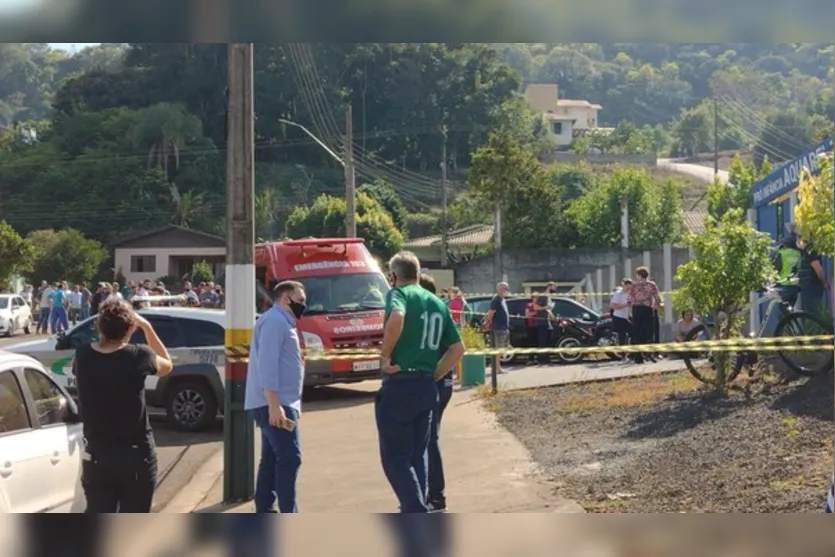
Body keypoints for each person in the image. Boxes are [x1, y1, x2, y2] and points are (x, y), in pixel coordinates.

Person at [378, 251, 465, 513]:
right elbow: (458, 348)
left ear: (393, 275)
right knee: (418, 453)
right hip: (427, 385)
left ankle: (416, 511)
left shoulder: (399, 294)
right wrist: (436, 373)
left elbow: (397, 317)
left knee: (395, 457)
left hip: (400, 383)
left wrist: (385, 355)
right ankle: (418, 504)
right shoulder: (437, 302)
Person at [73, 299, 174, 512]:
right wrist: (147, 327)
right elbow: (167, 364)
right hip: (136, 455)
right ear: (130, 327)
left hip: (98, 455)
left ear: (100, 326)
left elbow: (99, 351)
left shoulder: (82, 355)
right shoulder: (140, 355)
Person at [245, 280, 306, 513]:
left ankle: (265, 508)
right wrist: (274, 404)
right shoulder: (274, 322)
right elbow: (267, 365)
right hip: (275, 402)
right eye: (300, 300)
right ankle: (289, 512)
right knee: (290, 458)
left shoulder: (280, 321)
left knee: (272, 459)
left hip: (278, 401)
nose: (304, 305)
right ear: (285, 298)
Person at [418, 273, 454, 512]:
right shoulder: (442, 310)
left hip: (433, 384)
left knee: (427, 442)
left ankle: (435, 497)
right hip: (443, 385)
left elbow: (456, 348)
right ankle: (432, 495)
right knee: (430, 440)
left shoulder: (425, 314)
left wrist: (434, 376)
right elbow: (456, 347)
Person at [628, 267, 661, 364]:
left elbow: (629, 298)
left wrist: (631, 304)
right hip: (647, 309)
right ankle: (649, 353)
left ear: (639, 275)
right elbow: (657, 297)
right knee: (648, 331)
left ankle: (638, 356)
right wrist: (656, 305)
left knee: (637, 331)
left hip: (637, 309)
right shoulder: (651, 284)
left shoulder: (634, 285)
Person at [485, 282, 511, 374]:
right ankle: (497, 368)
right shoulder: (496, 300)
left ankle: (496, 366)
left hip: (503, 327)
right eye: (505, 288)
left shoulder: (502, 299)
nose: (506, 291)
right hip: (498, 327)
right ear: (499, 289)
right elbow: (491, 313)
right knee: (498, 349)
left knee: (501, 348)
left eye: (507, 289)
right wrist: (488, 322)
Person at [797, 238, 827, 314]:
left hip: (808, 284)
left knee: (809, 312)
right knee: (813, 312)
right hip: (812, 284)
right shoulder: (810, 249)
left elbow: (815, 265)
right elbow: (816, 266)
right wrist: (824, 282)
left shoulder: (807, 250)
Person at [533, 283, 557, 366]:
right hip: (542, 322)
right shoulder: (542, 296)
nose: (555, 290)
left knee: (547, 341)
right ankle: (541, 359)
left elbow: (548, 310)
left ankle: (546, 358)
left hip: (547, 322)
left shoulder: (549, 297)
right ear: (549, 287)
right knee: (542, 341)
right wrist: (545, 307)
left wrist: (552, 315)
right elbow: (535, 307)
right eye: (554, 287)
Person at [609, 278, 632, 363]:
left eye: (630, 288)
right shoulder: (618, 294)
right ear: (624, 285)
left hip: (626, 317)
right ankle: (623, 356)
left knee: (633, 332)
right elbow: (613, 306)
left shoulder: (629, 294)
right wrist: (625, 305)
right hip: (618, 317)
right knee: (622, 336)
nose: (629, 289)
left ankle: (631, 353)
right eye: (627, 287)